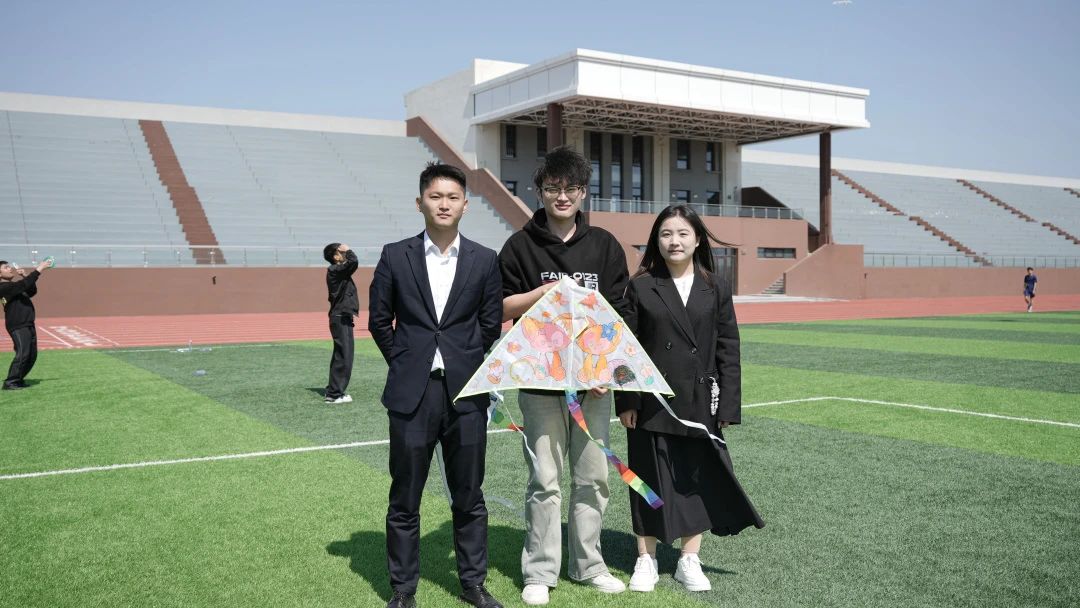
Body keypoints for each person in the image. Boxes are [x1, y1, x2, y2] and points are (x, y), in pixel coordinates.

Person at [498, 146, 631, 605]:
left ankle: (589, 564)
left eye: (571, 188)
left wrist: (605, 369)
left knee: (593, 478)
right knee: (545, 479)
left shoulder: (605, 245)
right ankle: (540, 571)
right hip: (539, 383)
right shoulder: (519, 246)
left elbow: (621, 313)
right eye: (553, 187)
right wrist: (545, 292)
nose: (562, 196)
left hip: (593, 386)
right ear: (539, 191)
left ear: (583, 193)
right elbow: (500, 306)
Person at [368, 162, 504, 608]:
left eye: (452, 197)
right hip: (413, 393)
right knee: (405, 496)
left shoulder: (485, 259)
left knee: (469, 496)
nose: (444, 204)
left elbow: (489, 325)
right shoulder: (395, 255)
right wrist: (407, 361)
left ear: (465, 204)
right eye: (435, 196)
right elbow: (379, 321)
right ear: (420, 202)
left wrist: (463, 359)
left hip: (466, 393)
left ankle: (473, 584)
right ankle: (403, 589)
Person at [614, 205, 764, 593]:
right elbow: (625, 348)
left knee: (695, 480)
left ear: (697, 239)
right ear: (656, 240)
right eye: (666, 234)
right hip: (651, 403)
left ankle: (688, 559)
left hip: (700, 403)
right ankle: (645, 558)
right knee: (646, 480)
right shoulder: (641, 285)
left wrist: (728, 405)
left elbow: (728, 347)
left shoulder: (716, 286)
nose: (674, 241)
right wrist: (627, 400)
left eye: (682, 233)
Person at [1, 258, 53, 390]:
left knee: (31, 355)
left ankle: (18, 379)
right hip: (18, 324)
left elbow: (31, 291)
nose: (10, 268)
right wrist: (39, 268)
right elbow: (23, 285)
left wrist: (25, 276)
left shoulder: (15, 287)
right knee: (23, 353)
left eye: (9, 266)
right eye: (6, 267)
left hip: (27, 323)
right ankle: (10, 382)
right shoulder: (4, 287)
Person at [323, 242, 358, 404]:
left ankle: (333, 389)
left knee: (341, 354)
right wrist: (348, 250)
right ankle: (334, 394)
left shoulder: (338, 271)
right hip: (340, 317)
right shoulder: (335, 270)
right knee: (344, 355)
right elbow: (353, 262)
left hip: (342, 316)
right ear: (335, 256)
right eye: (340, 252)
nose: (344, 254)